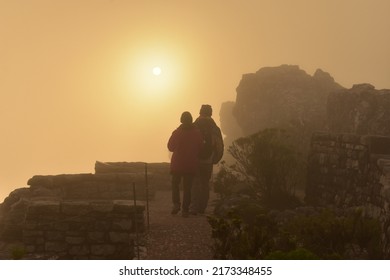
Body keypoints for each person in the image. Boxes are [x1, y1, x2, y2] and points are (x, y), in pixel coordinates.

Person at [167, 111, 203, 217]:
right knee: (187, 187)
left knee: (175, 185)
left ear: (181, 120)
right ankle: (185, 209)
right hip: (190, 164)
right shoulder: (197, 133)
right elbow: (201, 148)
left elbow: (170, 147)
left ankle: (176, 204)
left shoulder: (177, 132)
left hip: (177, 164)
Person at [191, 104, 223, 215]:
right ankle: (202, 208)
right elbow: (219, 145)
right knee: (205, 183)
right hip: (208, 160)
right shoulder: (214, 128)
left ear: (200, 112)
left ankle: (194, 207)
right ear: (211, 113)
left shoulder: (194, 125)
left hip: (195, 159)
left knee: (195, 183)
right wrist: (215, 159)